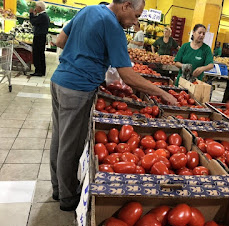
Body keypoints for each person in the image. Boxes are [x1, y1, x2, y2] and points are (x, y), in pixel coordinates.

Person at [51, 0, 177, 211]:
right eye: (136, 16)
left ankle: (58, 189)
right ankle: (68, 198)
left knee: (59, 138)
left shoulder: (88, 10)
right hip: (78, 88)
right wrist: (162, 93)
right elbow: (127, 75)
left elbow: (60, 40)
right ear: (126, 5)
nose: (136, 21)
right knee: (71, 146)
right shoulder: (113, 26)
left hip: (58, 81)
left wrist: (86, 55)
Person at [29, 1, 50, 76]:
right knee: (40, 54)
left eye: (36, 7)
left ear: (40, 8)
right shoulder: (43, 16)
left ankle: (38, 71)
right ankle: (41, 70)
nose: (35, 8)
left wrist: (31, 14)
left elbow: (33, 22)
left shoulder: (42, 16)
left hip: (39, 37)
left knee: (37, 53)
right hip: (41, 36)